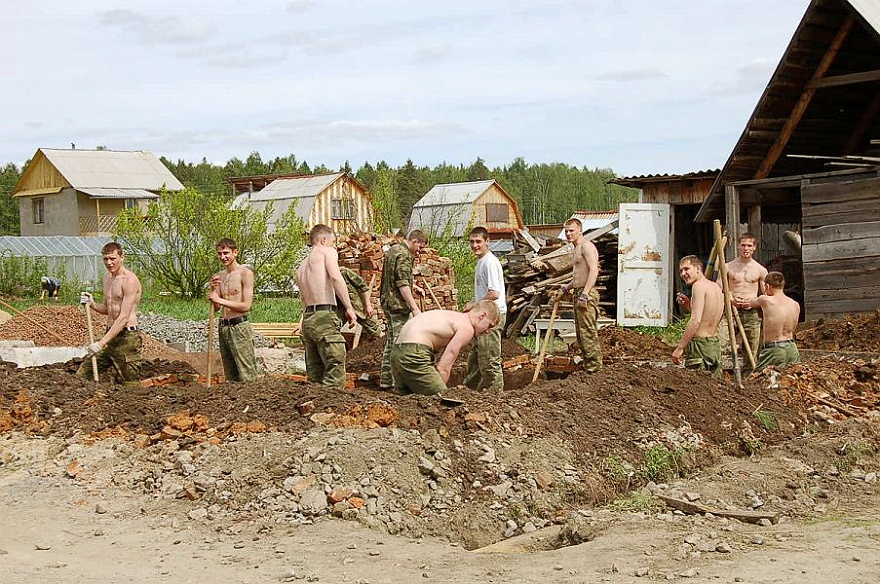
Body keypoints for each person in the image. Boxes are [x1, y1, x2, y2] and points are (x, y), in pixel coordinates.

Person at [391, 300, 501, 396]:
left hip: (396, 353)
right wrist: (442, 391)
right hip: (413, 355)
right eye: (489, 326)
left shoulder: (453, 317)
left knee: (405, 403)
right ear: (482, 316)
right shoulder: (467, 328)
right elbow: (443, 367)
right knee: (442, 404)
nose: (487, 331)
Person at [295, 224, 357, 389]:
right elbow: (336, 278)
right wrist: (349, 307)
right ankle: (333, 410)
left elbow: (303, 299)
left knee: (315, 375)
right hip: (324, 316)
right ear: (323, 239)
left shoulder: (301, 267)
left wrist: (302, 321)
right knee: (334, 367)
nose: (334, 245)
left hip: (308, 319)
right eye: (333, 241)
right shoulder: (326, 252)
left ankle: (315, 409)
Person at [78, 242, 143, 384]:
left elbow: (123, 317)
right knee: (82, 375)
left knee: (131, 385)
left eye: (112, 258)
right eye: (105, 259)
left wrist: (100, 344)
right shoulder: (107, 279)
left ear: (122, 257)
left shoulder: (130, 280)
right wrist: (92, 304)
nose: (109, 262)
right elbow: (108, 310)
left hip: (127, 339)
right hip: (110, 336)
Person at [378, 230, 428, 389]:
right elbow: (402, 284)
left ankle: (386, 380)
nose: (419, 250)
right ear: (414, 241)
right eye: (420, 246)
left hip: (388, 302)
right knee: (399, 344)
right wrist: (414, 308)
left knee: (392, 342)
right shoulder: (405, 255)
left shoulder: (394, 250)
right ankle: (396, 382)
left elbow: (396, 277)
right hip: (397, 306)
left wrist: (415, 286)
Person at [208, 238, 259, 382]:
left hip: (239, 326)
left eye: (226, 253)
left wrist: (219, 300)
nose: (222, 257)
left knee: (247, 373)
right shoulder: (219, 276)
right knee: (230, 374)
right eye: (219, 254)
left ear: (235, 252)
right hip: (224, 327)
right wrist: (213, 291)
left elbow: (246, 306)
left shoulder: (245, 273)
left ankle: (252, 399)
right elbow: (216, 307)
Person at [462, 227, 507, 391]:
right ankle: (468, 391)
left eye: (478, 241)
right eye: (472, 242)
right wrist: (475, 302)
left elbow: (494, 293)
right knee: (475, 358)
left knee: (489, 360)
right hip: (483, 316)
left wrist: (474, 304)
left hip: (492, 317)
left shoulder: (489, 262)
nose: (475, 245)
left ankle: (496, 396)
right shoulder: (481, 262)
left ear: (487, 241)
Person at [558, 218, 602, 372]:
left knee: (587, 332)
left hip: (586, 293)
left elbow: (593, 270)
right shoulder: (576, 248)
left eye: (571, 230)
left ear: (580, 230)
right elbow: (578, 275)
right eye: (566, 231)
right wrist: (566, 288)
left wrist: (585, 294)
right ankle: (587, 366)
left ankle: (594, 369)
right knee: (580, 333)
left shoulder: (586, 246)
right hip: (578, 291)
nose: (568, 234)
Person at [719, 232, 768, 371]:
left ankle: (748, 377)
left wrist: (754, 301)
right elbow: (719, 287)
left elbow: (766, 294)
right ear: (738, 247)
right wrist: (729, 297)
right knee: (721, 343)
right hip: (731, 311)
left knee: (752, 348)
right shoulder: (727, 267)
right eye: (743, 245)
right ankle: (719, 375)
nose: (746, 248)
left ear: (754, 248)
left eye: (749, 245)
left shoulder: (760, 270)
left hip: (751, 312)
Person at [673, 255, 725, 378]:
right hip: (714, 345)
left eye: (686, 269)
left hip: (700, 346)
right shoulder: (715, 287)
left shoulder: (698, 287)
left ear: (697, 268)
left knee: (697, 390)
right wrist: (688, 305)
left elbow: (696, 321)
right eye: (681, 271)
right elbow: (709, 315)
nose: (683, 273)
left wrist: (680, 348)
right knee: (715, 389)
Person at [739, 271, 800, 372]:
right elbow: (794, 328)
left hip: (774, 349)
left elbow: (748, 303)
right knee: (790, 381)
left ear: (767, 286)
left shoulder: (765, 300)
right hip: (792, 348)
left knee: (757, 380)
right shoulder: (795, 305)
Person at [336, 266, 381, 339]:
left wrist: (368, 305)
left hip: (358, 308)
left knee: (374, 330)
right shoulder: (324, 277)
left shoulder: (344, 272)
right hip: (339, 310)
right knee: (333, 330)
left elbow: (363, 287)